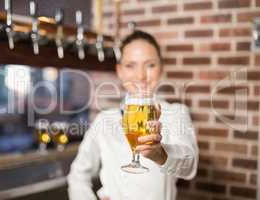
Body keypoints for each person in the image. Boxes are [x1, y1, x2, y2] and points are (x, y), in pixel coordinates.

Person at [67, 30, 198, 200]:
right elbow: (78, 174)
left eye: (150, 65)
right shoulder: (104, 120)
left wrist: (160, 153)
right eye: (130, 66)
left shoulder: (176, 113)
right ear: (119, 71)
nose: (141, 75)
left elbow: (189, 166)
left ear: (161, 69)